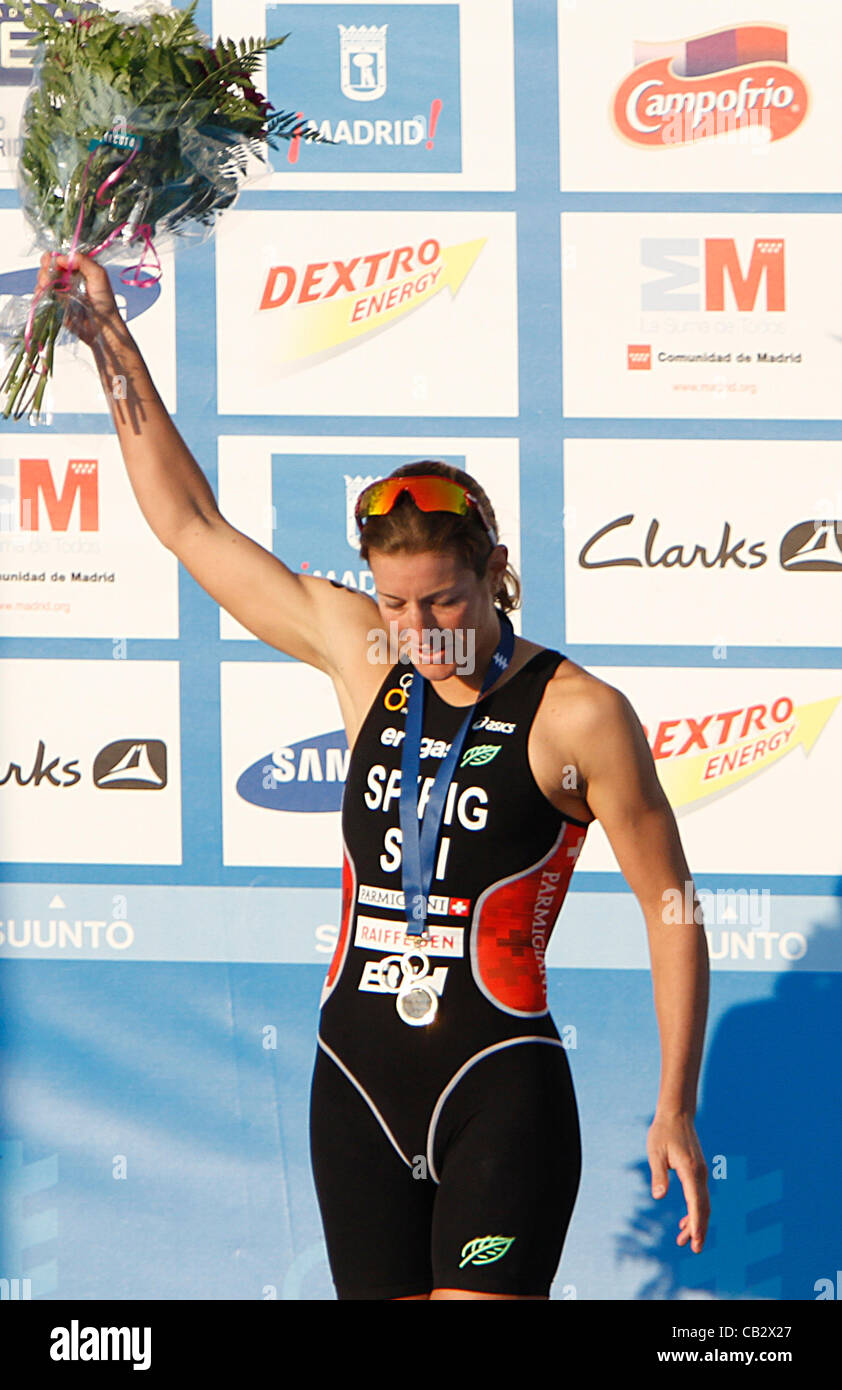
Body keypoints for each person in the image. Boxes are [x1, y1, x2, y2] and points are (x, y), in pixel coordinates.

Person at [38, 250, 710, 1302]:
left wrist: (673, 1100)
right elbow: (191, 526)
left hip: (497, 1087)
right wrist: (110, 344)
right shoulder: (366, 663)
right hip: (352, 1082)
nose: (415, 629)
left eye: (441, 601)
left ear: (494, 574)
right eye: (395, 604)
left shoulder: (578, 714)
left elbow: (668, 907)